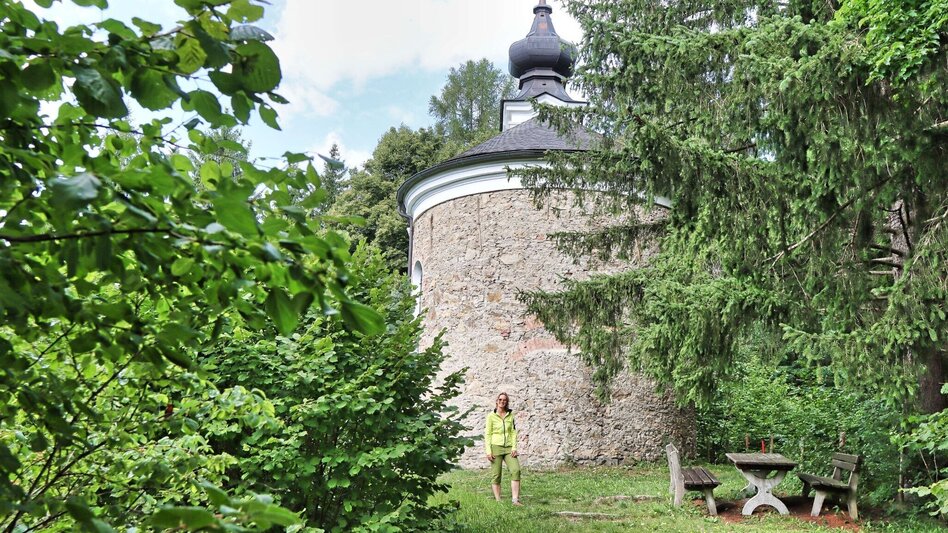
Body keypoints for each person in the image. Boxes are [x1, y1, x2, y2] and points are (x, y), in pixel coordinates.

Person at [484, 392, 521, 505]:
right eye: (500, 399)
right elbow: (488, 434)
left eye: (504, 400)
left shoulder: (510, 415)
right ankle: (498, 500)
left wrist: (514, 447)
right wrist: (488, 451)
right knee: (496, 475)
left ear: (507, 402)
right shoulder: (491, 416)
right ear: (497, 401)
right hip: (496, 447)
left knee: (516, 470)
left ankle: (515, 500)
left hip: (509, 447)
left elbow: (513, 432)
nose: (502, 401)